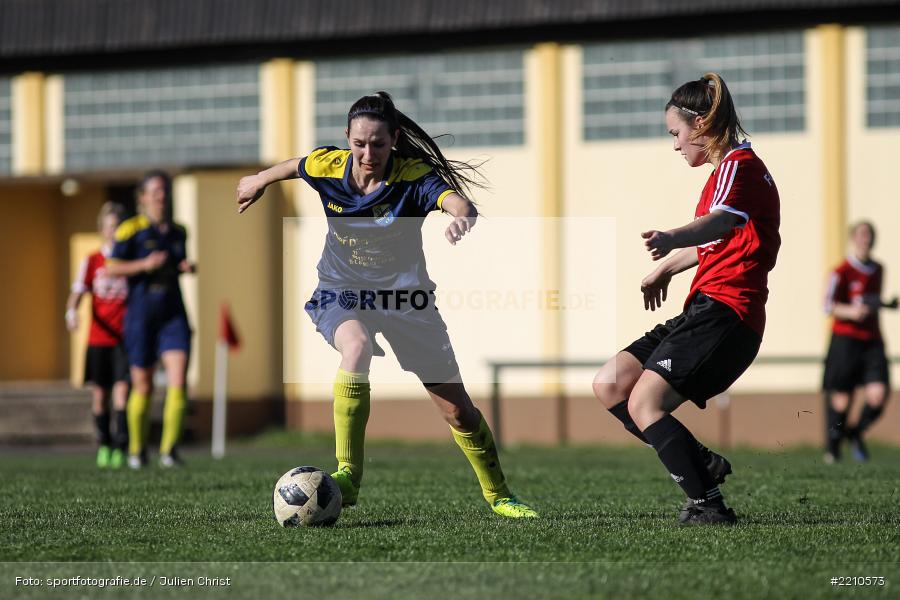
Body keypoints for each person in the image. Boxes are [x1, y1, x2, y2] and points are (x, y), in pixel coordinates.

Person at [236, 91, 537, 518]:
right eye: (359, 143)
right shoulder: (331, 165)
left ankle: (500, 496)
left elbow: (455, 200)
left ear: (394, 139)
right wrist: (258, 179)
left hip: (405, 300)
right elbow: (295, 165)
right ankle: (347, 478)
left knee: (458, 411)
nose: (367, 153)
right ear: (347, 138)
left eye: (377, 144)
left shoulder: (412, 175)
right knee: (354, 347)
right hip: (341, 289)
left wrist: (461, 215)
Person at [592, 73, 781, 525]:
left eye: (675, 133)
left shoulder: (737, 166)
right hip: (703, 309)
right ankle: (702, 462)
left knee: (644, 403)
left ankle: (708, 505)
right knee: (611, 384)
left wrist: (670, 236)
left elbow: (717, 225)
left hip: (727, 315)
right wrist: (666, 267)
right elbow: (721, 241)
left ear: (700, 124)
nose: (675, 145)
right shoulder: (730, 173)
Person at [105, 171, 195, 469]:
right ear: (142, 197)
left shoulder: (179, 231)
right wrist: (144, 264)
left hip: (173, 313)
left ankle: (169, 451)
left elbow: (177, 261)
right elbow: (112, 267)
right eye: (154, 191)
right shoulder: (130, 230)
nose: (160, 197)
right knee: (142, 385)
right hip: (141, 315)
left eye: (164, 191)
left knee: (179, 380)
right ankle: (136, 450)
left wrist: (183, 266)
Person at [823, 221, 898, 463]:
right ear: (853, 239)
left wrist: (885, 304)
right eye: (862, 235)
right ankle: (833, 449)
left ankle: (855, 433)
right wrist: (851, 312)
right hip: (846, 340)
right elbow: (828, 305)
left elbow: (870, 299)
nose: (866, 240)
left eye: (870, 235)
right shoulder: (841, 271)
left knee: (878, 395)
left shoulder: (878, 269)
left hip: (872, 341)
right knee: (842, 398)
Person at [66, 202, 130, 468]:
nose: (114, 232)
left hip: (124, 339)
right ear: (102, 230)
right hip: (98, 339)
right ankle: (103, 443)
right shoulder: (92, 261)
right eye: (110, 227)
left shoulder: (129, 260)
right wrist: (71, 311)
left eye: (118, 227)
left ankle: (121, 446)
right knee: (99, 396)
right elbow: (78, 292)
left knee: (122, 393)